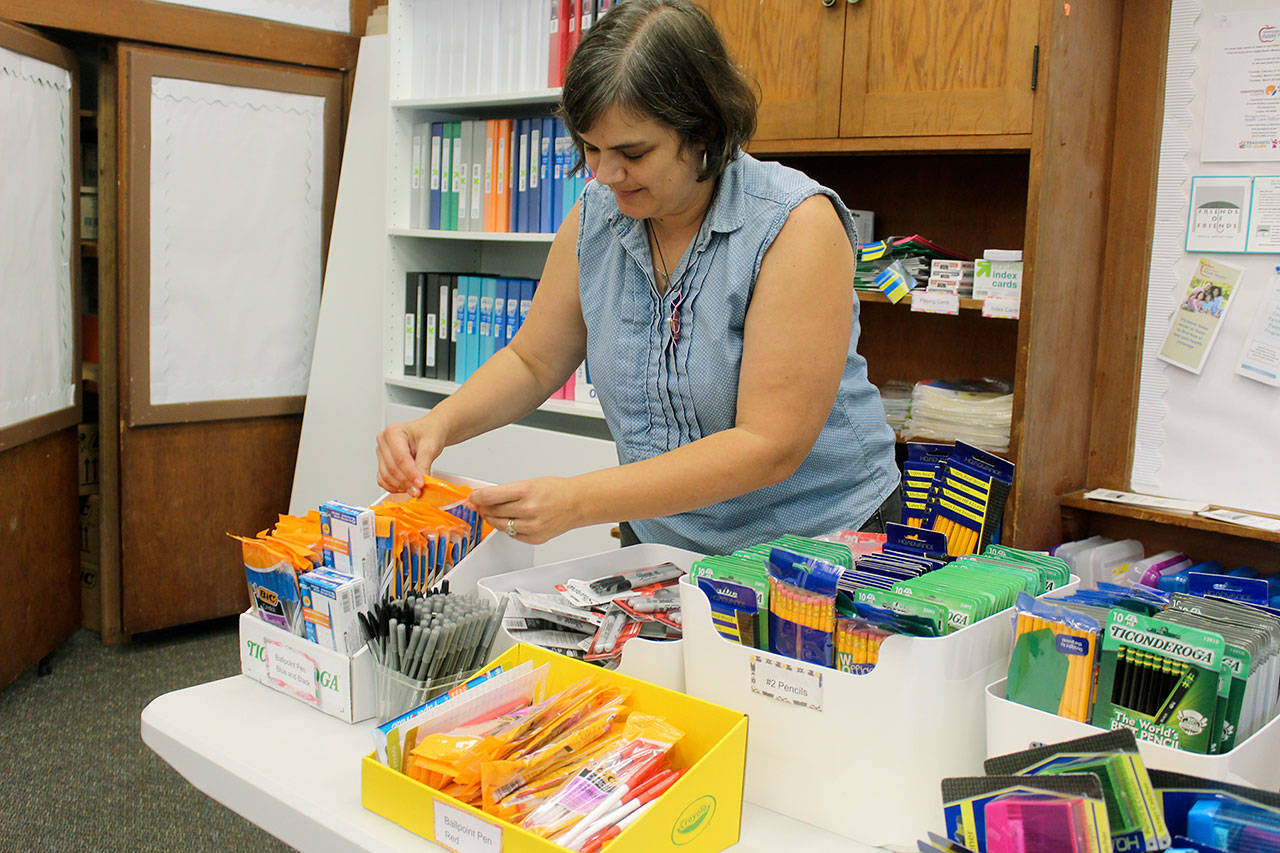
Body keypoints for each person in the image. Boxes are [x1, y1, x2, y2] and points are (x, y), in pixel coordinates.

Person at [375, 0, 900, 554]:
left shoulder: (794, 224)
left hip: (814, 547)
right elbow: (534, 360)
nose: (604, 173)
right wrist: (438, 425)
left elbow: (769, 444)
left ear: (702, 130)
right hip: (662, 537)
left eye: (632, 152)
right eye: (591, 149)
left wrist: (578, 501)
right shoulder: (596, 214)